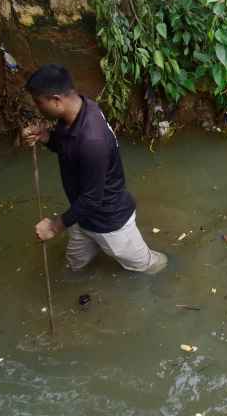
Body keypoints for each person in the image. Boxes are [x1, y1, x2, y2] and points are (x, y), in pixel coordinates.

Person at [21, 64, 167, 275]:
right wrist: (46, 138)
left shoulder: (92, 140)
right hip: (82, 217)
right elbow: (68, 147)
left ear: (56, 100)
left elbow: (93, 198)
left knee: (150, 266)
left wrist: (54, 226)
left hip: (110, 223)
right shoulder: (77, 110)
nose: (38, 108)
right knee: (74, 266)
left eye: (39, 103)